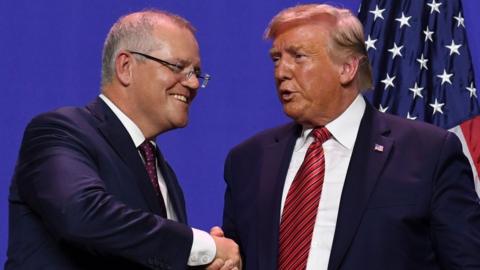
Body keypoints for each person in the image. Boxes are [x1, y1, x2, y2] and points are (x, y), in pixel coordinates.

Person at [222, 4, 480, 270]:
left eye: (298, 57)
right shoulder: (248, 160)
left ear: (347, 67)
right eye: (276, 58)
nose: (281, 72)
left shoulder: (428, 153)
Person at [6, 10, 241, 270]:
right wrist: (201, 246)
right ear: (126, 67)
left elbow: (144, 250)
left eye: (196, 72)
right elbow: (83, 214)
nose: (194, 83)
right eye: (178, 67)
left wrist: (202, 263)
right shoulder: (60, 131)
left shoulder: (163, 173)